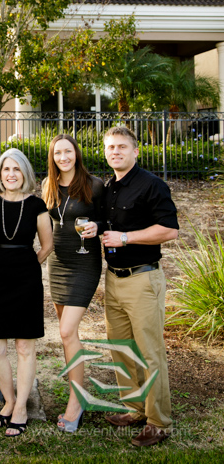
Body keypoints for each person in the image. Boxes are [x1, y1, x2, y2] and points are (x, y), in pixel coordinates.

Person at [102, 125, 179, 448]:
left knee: (149, 352)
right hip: (114, 278)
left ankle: (159, 421)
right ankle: (134, 408)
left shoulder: (152, 185)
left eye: (122, 147)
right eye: (110, 148)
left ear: (135, 151)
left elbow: (169, 230)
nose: (116, 152)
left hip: (143, 278)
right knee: (121, 349)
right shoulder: (109, 188)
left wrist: (126, 238)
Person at [0, 148, 53, 437]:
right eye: (6, 169)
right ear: (0, 174)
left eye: (16, 169)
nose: (11, 174)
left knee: (24, 346)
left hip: (26, 280)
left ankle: (21, 406)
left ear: (25, 173)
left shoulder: (37, 205)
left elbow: (47, 246)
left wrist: (27, 265)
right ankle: (8, 401)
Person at [41, 134, 104, 433]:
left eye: (67, 152)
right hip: (58, 264)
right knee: (69, 336)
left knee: (66, 331)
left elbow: (108, 219)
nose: (62, 157)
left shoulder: (94, 185)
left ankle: (76, 403)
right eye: (57, 153)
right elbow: (44, 221)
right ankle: (75, 391)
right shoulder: (48, 185)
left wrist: (98, 225)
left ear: (76, 154)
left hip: (84, 264)